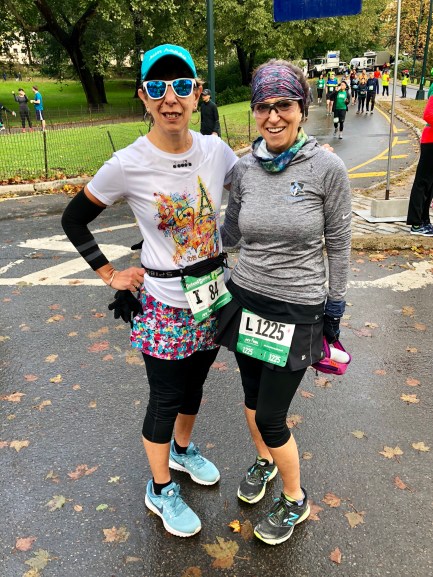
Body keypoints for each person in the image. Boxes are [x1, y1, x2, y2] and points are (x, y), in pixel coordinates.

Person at [61, 44, 238, 538]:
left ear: (197, 93)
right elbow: (74, 218)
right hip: (163, 304)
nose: (170, 98)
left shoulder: (216, 151)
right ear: (143, 96)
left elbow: (259, 184)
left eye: (181, 86)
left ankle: (181, 452)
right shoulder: (128, 162)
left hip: (212, 297)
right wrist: (108, 274)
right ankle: (160, 489)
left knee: (195, 386)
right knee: (165, 398)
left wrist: (305, 158)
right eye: (157, 87)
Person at [216, 59, 351, 546]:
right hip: (246, 299)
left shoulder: (326, 168)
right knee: (252, 398)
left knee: (272, 416)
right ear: (254, 112)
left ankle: (295, 499)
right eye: (263, 107)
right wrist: (186, 238)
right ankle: (264, 461)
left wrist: (335, 306)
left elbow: (339, 242)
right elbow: (231, 232)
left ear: (302, 108)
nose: (273, 116)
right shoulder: (244, 168)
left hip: (297, 308)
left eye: (284, 105)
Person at [406, 84, 433, 236]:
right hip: (430, 142)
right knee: (422, 182)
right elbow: (428, 114)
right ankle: (416, 224)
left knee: (430, 185)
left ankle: (425, 220)